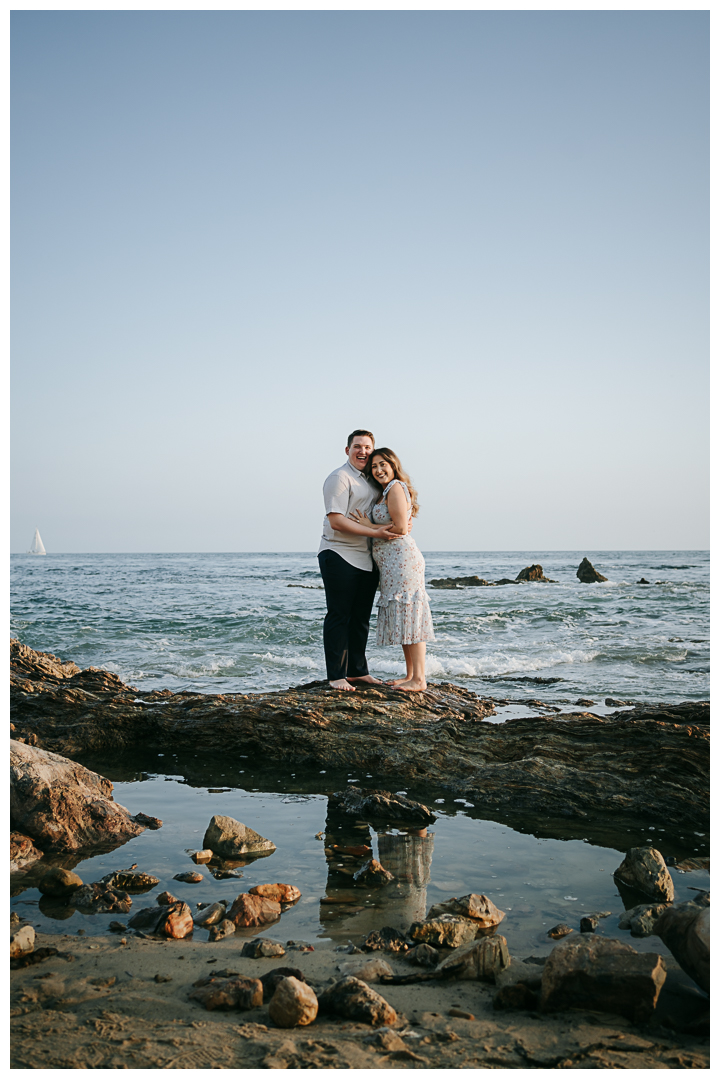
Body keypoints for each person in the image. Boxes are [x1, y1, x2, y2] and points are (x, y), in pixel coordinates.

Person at [317, 430, 399, 691]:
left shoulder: (372, 480)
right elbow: (336, 521)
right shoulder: (339, 478)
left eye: (367, 447)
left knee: (361, 618)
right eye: (357, 447)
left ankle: (357, 671)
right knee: (339, 615)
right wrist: (375, 532)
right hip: (338, 553)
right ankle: (336, 676)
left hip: (367, 558)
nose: (362, 451)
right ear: (347, 450)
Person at [351, 448, 435, 691]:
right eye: (374, 467)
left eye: (382, 464)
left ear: (393, 465)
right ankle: (410, 675)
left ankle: (419, 679)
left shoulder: (396, 487)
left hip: (402, 561)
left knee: (411, 617)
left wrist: (369, 525)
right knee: (404, 618)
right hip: (391, 564)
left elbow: (401, 528)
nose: (378, 470)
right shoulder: (385, 491)